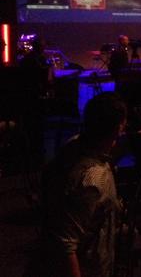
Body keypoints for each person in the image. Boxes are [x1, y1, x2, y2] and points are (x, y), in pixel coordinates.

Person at [39, 92, 127, 277]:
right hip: (90, 269)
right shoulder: (93, 179)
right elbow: (65, 243)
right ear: (118, 128)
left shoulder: (74, 145)